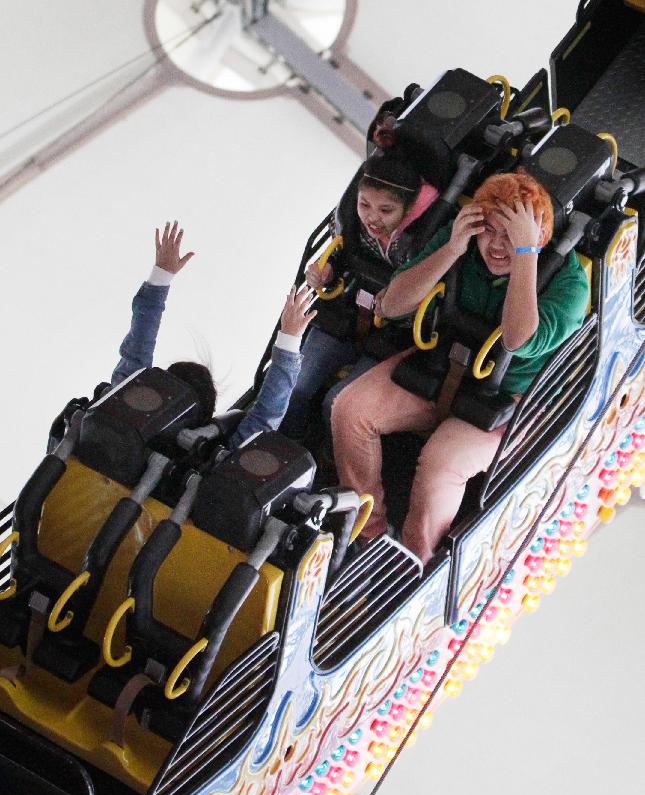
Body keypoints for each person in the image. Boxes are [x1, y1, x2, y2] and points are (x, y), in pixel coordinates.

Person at [331, 171, 590, 564]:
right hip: (439, 365)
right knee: (350, 409)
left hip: (504, 398)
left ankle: (415, 561)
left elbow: (518, 339)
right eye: (490, 231)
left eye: (511, 236)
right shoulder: (464, 241)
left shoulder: (568, 282)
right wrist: (452, 247)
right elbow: (391, 304)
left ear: (538, 238)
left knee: (440, 464)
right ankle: (370, 536)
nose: (496, 245)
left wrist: (525, 256)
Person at [112, 221, 316, 450]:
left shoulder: (123, 405)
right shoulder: (205, 462)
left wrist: (161, 276)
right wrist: (288, 340)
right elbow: (265, 417)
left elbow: (138, 343)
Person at [279, 153, 439, 440]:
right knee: (294, 385)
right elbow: (342, 252)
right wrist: (326, 271)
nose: (372, 217)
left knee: (336, 403)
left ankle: (327, 457)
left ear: (408, 210)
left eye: (386, 210)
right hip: (347, 314)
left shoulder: (419, 244)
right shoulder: (354, 227)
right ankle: (283, 440)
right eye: (364, 205)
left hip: (393, 335)